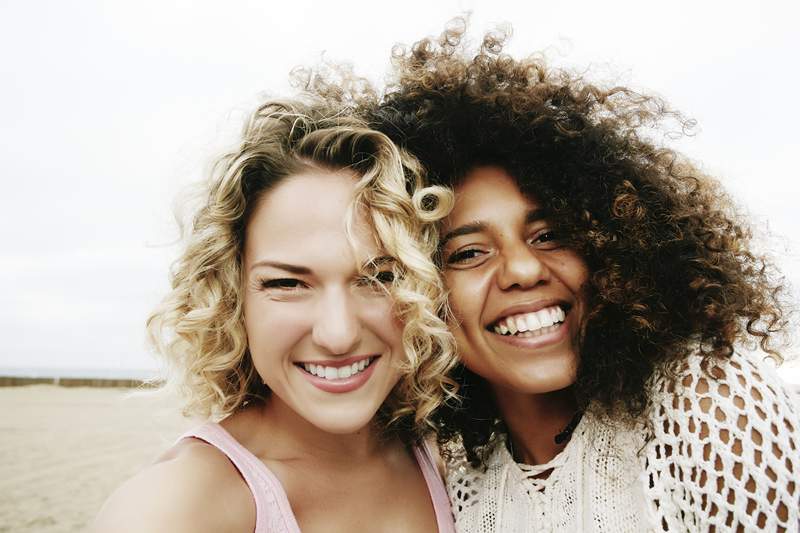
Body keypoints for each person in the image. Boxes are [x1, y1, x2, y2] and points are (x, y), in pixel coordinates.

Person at [365, 19, 800, 532]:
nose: (524, 270)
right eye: (467, 253)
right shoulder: (448, 475)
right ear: (416, 286)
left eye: (550, 234)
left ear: (613, 244)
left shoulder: (714, 412)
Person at [92, 94, 459, 532]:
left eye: (378, 278)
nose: (338, 334)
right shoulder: (174, 507)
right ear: (232, 300)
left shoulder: (449, 466)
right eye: (287, 284)